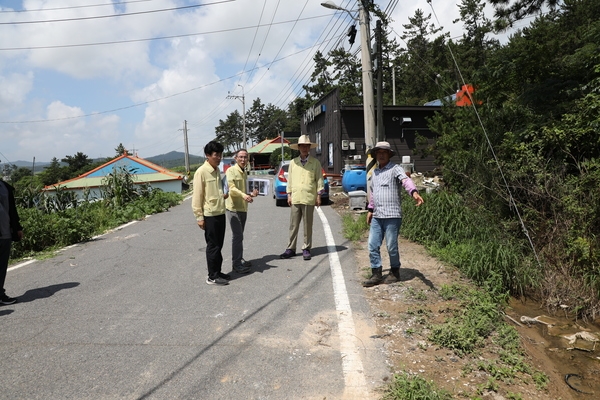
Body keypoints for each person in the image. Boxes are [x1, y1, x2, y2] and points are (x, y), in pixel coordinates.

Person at [362, 141, 424, 287]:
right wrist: (370, 210)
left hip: (392, 216)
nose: (381, 155)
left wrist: (414, 192)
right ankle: (376, 273)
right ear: (376, 155)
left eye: (384, 152)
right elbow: (373, 193)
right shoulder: (375, 172)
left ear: (389, 154)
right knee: (372, 245)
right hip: (377, 215)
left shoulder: (396, 169)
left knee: (391, 246)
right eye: (379, 152)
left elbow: (405, 180)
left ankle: (395, 271)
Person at [279, 135, 325, 261]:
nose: (304, 148)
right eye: (302, 146)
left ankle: (306, 248)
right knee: (293, 225)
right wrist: (289, 195)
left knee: (307, 225)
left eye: (306, 146)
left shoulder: (315, 162)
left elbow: (319, 179)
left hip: (309, 197)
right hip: (296, 197)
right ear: (298, 148)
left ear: (309, 147)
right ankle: (290, 248)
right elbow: (290, 180)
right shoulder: (293, 162)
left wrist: (319, 195)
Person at [192, 141, 230, 286]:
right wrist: (199, 217)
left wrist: (224, 195)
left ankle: (218, 271)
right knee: (213, 246)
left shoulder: (216, 171)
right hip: (210, 215)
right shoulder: (201, 172)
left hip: (220, 211)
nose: (219, 158)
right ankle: (212, 276)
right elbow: (197, 196)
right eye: (216, 155)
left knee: (219, 245)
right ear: (208, 155)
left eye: (220, 155)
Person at [225, 149, 258, 274]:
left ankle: (239, 258)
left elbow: (244, 190)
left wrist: (251, 194)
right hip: (233, 208)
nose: (243, 160)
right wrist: (244, 196)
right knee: (237, 236)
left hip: (243, 207)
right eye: (241, 157)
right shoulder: (231, 171)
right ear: (236, 158)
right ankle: (236, 263)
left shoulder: (244, 172)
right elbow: (232, 189)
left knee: (240, 236)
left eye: (245, 157)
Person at [0, 178, 23, 305]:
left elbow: (12, 209)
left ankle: (0, 295)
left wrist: (17, 227)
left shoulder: (4, 187)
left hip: (5, 233)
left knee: (1, 266)